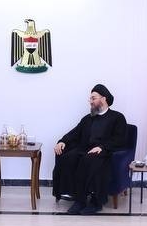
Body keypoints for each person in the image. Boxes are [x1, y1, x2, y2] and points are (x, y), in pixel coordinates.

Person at [53, 84, 128, 215]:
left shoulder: (117, 117)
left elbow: (119, 139)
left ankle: (95, 201)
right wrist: (62, 141)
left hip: (105, 152)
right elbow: (75, 132)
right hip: (84, 149)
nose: (90, 101)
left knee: (89, 160)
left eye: (93, 98)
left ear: (103, 99)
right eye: (90, 99)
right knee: (68, 157)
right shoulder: (88, 118)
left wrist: (102, 147)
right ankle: (74, 196)